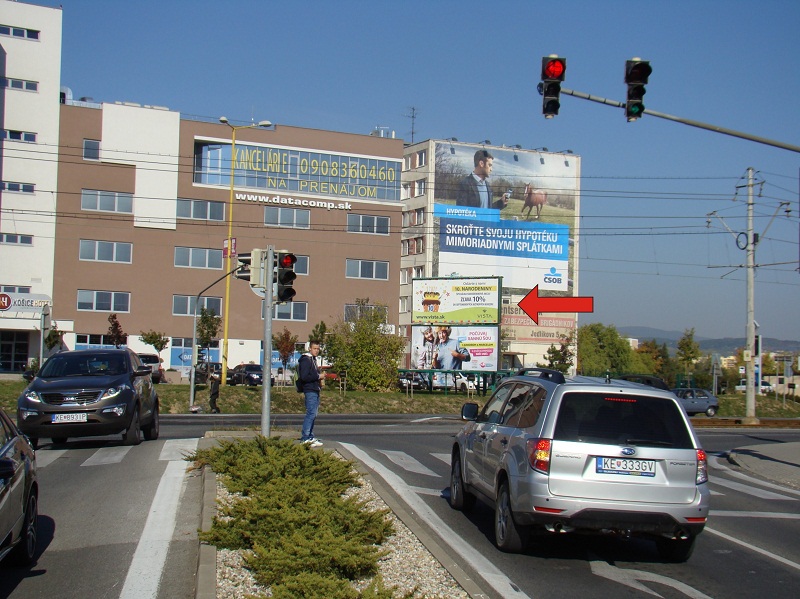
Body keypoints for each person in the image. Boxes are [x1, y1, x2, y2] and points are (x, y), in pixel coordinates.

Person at [298, 341, 324, 447]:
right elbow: (304, 377)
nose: (316, 351)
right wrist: (318, 377)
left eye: (318, 349)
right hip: (309, 390)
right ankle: (305, 437)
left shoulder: (313, 360)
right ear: (309, 349)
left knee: (314, 413)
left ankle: (310, 436)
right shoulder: (306, 360)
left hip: (315, 389)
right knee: (310, 413)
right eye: (314, 348)